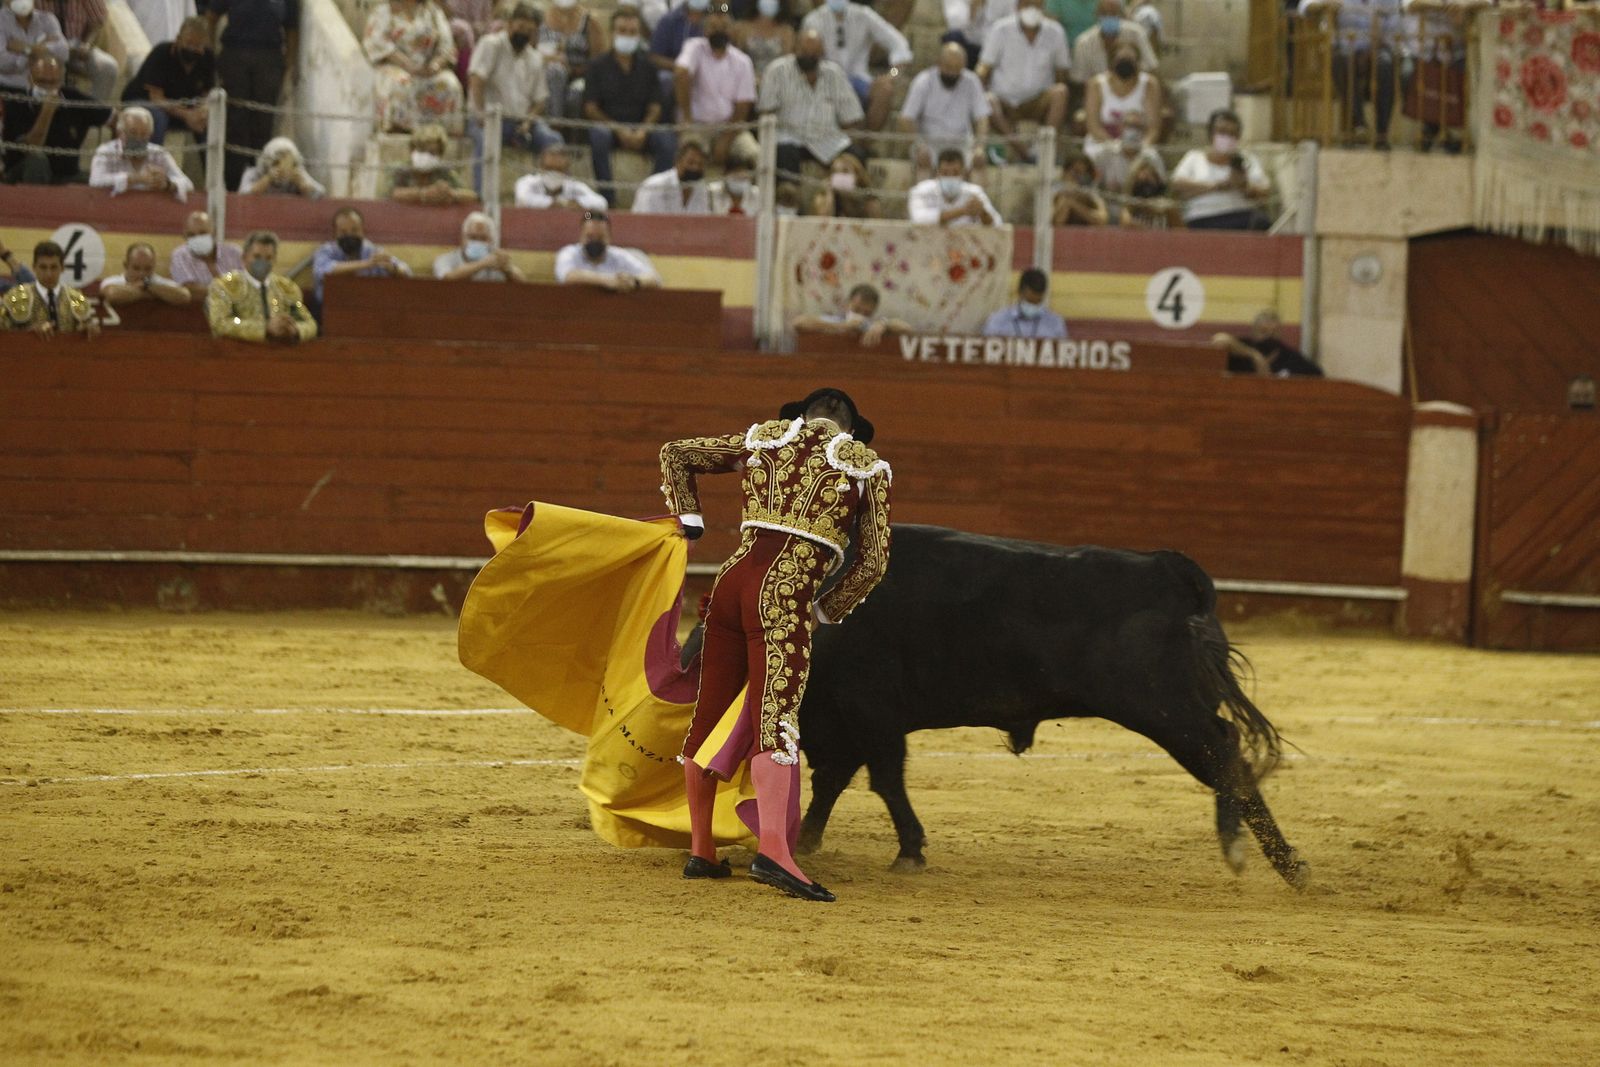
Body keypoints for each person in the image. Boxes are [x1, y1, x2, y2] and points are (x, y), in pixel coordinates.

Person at [661, 386, 891, 902]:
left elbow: (676, 454)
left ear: (801, 417)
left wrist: (690, 521)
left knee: (710, 713)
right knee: (777, 721)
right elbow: (873, 562)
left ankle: (702, 852)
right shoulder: (866, 465)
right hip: (783, 592)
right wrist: (825, 609)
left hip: (728, 584)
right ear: (850, 429)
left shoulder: (765, 438)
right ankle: (774, 855)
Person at [583, 9, 676, 206]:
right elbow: (590, 108)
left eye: (632, 32)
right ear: (612, 33)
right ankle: (608, 200)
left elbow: (656, 106)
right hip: (610, 127)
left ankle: (650, 199)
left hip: (642, 128)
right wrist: (619, 130)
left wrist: (643, 130)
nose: (627, 35)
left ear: (640, 35)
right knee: (598, 135)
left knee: (667, 141)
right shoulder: (596, 66)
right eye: (622, 30)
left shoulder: (648, 67)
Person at [467, 3, 560, 194]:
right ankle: (481, 197)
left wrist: (528, 121)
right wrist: (481, 114)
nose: (523, 33)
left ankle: (551, 198)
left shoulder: (535, 58)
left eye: (529, 30)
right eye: (520, 27)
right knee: (486, 141)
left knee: (553, 141)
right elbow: (477, 80)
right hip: (488, 118)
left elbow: (540, 100)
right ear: (509, 24)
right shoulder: (491, 44)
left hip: (521, 122)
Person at [209, 0, 300, 193]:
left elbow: (292, 27)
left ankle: (260, 182)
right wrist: (210, 54)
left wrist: (289, 63)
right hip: (235, 55)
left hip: (269, 58)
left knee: (263, 123)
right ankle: (232, 186)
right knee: (235, 122)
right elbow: (211, 16)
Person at [759, 30, 863, 179]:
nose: (808, 57)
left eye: (813, 53)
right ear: (795, 49)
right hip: (790, 138)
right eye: (804, 52)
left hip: (827, 140)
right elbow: (766, 113)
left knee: (853, 157)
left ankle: (841, 200)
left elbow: (852, 118)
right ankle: (788, 199)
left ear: (821, 53)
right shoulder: (776, 71)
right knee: (785, 153)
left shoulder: (834, 74)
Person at [976, 0, 1070, 164]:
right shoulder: (1000, 29)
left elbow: (1062, 73)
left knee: (1061, 92)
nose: (1032, 9)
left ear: (1043, 6)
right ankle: (1025, 152)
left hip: (1037, 102)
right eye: (1027, 4)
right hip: (1005, 101)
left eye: (1036, 4)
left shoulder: (1056, 32)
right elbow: (985, 67)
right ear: (1018, 6)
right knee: (987, 100)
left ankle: (1042, 149)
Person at [1298, 0, 1400, 147]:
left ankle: (1382, 134)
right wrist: (1325, 5)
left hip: (1376, 48)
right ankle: (1359, 125)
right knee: (1341, 63)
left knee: (1385, 65)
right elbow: (1304, 7)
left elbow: (1395, 29)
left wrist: (1376, 45)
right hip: (1344, 49)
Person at [800, 0, 911, 131]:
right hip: (825, 81)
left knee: (885, 89)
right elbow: (804, 58)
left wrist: (891, 75)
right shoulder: (813, 19)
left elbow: (900, 46)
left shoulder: (864, 15)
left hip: (859, 80)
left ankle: (865, 144)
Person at [1, 53, 109, 184]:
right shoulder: (17, 102)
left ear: (61, 81)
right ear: (30, 79)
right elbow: (32, 147)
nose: (47, 87)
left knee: (99, 181)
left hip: (66, 174)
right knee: (37, 159)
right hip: (24, 173)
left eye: (52, 82)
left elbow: (114, 117)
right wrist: (47, 111)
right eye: (41, 82)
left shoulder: (73, 97)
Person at [364, 0, 465, 134]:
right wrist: (408, 65)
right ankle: (399, 130)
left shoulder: (434, 13)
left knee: (450, 84)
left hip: (427, 68)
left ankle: (441, 132)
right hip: (396, 65)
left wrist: (435, 65)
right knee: (400, 83)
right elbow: (378, 42)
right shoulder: (384, 12)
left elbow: (447, 45)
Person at [674, 3, 756, 166]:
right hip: (697, 126)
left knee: (755, 154)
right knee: (689, 156)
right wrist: (688, 119)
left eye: (724, 27)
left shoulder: (742, 61)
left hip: (730, 127)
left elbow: (743, 105)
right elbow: (681, 72)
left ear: (731, 30)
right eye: (713, 27)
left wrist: (726, 138)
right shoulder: (694, 47)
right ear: (705, 30)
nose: (719, 31)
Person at [206, 229, 317, 344]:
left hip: (281, 353)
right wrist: (264, 328)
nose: (262, 262)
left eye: (268, 258)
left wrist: (295, 329)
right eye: (257, 257)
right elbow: (220, 323)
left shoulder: (286, 288)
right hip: (238, 354)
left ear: (274, 259)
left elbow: (310, 324)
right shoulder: (225, 286)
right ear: (244, 258)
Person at [898, 42, 991, 176]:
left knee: (978, 162)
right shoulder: (923, 81)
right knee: (922, 161)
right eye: (948, 67)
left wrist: (980, 147)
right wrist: (918, 145)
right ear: (939, 63)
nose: (952, 73)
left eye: (957, 69)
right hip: (930, 143)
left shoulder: (971, 81)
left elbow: (982, 118)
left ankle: (976, 197)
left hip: (962, 143)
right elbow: (906, 118)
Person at [121, 15, 215, 147]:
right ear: (178, 39)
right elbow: (157, 98)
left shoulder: (208, 57)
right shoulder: (161, 53)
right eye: (189, 43)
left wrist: (202, 111)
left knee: (210, 120)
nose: (192, 49)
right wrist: (187, 115)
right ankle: (151, 162)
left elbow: (207, 93)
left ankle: (214, 166)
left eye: (198, 45)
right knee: (158, 117)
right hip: (143, 100)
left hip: (180, 107)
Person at [1171, 109, 1272, 230]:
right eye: (1222, 132)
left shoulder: (1247, 159)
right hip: (1202, 217)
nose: (1227, 137)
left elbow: (1264, 190)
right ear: (1211, 134)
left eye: (1232, 134)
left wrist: (1244, 187)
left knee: (1261, 222)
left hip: (1240, 215)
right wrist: (1218, 186)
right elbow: (1177, 184)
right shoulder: (1194, 158)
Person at [311, 206, 412, 308]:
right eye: (343, 232)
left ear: (362, 231)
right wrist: (366, 264)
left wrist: (393, 269)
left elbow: (407, 272)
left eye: (354, 230)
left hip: (368, 310)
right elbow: (321, 271)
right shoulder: (326, 250)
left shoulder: (373, 251)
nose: (349, 235)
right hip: (329, 310)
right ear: (335, 233)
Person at [89, 107, 194, 200]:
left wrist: (167, 184)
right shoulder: (106, 151)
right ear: (120, 133)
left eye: (144, 134)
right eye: (133, 133)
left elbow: (188, 184)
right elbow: (95, 181)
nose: (138, 139)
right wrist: (136, 178)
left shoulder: (158, 153)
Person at [1, 239, 97, 334]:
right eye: (43, 267)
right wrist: (28, 332)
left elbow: (87, 328)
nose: (49, 274)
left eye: (54, 267)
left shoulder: (76, 299)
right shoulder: (14, 297)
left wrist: (88, 328)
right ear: (34, 267)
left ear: (62, 268)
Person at [554, 210, 661, 289]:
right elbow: (568, 276)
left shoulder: (619, 256)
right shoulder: (568, 253)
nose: (594, 241)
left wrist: (634, 281)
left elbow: (654, 278)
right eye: (590, 237)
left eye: (600, 237)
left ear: (609, 237)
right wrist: (608, 280)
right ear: (581, 236)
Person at [1084, 39, 1161, 147]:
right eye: (1121, 59)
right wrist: (1115, 146)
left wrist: (1141, 147)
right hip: (1102, 144)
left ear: (1137, 62)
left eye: (1130, 60)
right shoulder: (1096, 84)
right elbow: (1094, 126)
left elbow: (1153, 129)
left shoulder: (1149, 84)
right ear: (1112, 61)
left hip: (1138, 145)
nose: (1125, 63)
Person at [36, 0, 117, 101]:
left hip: (76, 47)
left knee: (108, 67)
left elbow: (97, 21)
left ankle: (93, 112)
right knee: (50, 66)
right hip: (45, 49)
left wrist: (86, 44)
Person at [539, 0, 605, 120]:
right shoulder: (541, 18)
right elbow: (531, 54)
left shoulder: (589, 21)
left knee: (575, 93)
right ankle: (555, 124)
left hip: (579, 76)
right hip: (547, 74)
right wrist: (550, 58)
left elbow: (598, 62)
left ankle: (565, 129)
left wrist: (572, 70)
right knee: (555, 71)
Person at [1069, 0, 1156, 87]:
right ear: (1096, 15)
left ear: (1122, 15)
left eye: (1114, 13)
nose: (1109, 17)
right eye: (1104, 13)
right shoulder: (1083, 43)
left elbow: (1151, 68)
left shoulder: (1136, 34)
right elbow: (1079, 81)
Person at [792, 283, 911, 346]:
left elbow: (907, 328)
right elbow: (798, 322)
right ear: (848, 304)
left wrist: (884, 324)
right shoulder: (835, 320)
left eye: (866, 313)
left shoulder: (872, 326)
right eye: (857, 310)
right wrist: (844, 326)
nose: (860, 315)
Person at [908, 147, 1002, 227]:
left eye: (955, 173)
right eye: (945, 173)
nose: (950, 176)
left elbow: (997, 224)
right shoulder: (921, 190)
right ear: (937, 173)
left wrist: (982, 212)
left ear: (964, 173)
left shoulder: (975, 192)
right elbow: (918, 219)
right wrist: (963, 211)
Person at [1213, 310, 1322, 377]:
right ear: (1254, 331)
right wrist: (1254, 355)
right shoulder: (1242, 348)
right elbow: (1219, 339)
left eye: (1274, 332)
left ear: (1280, 333)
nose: (1269, 335)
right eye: (1263, 331)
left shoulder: (1291, 357)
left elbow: (1318, 375)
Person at [390, 123, 478, 204]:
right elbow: (389, 194)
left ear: (440, 155)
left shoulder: (444, 172)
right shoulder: (401, 170)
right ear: (412, 150)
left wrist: (450, 193)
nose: (426, 155)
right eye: (422, 150)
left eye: (432, 152)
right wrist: (423, 194)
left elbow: (472, 196)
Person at [169, 210, 246, 298]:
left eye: (203, 233)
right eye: (191, 235)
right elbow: (189, 288)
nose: (197, 238)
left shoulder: (234, 253)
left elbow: (247, 281)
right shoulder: (180, 256)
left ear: (214, 232)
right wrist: (226, 291)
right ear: (185, 237)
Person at [433, 211, 525, 282]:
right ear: (463, 238)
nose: (477, 241)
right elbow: (447, 278)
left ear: (490, 241)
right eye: (472, 237)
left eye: (483, 238)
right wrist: (483, 264)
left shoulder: (495, 259)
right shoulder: (445, 259)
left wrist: (507, 269)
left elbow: (522, 283)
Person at [513, 141, 607, 210]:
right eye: (549, 169)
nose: (554, 173)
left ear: (567, 171)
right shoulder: (528, 182)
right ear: (541, 167)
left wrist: (579, 203)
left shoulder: (574, 186)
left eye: (558, 170)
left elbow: (601, 203)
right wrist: (552, 203)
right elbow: (522, 199)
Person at [99, 241, 193, 308]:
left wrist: (147, 286)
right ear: (126, 265)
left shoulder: (159, 282)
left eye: (148, 269)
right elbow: (112, 295)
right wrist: (152, 292)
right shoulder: (112, 281)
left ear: (154, 266)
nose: (142, 274)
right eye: (136, 268)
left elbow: (184, 296)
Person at [631, 137, 711, 214]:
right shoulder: (654, 186)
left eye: (700, 164)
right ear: (677, 162)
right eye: (691, 162)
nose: (695, 168)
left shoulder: (701, 188)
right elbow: (647, 223)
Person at [0, 0, 67, 92]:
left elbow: (63, 52)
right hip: (11, 89)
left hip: (48, 88)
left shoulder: (47, 19)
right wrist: (41, 51)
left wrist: (27, 49)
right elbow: (3, 62)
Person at [983, 267, 1067, 338]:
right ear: (1020, 292)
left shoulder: (1055, 323)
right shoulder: (998, 321)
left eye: (1037, 302)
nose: (1033, 306)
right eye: (1029, 301)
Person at [238, 136, 325, 197]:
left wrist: (303, 186)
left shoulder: (297, 174)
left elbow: (320, 194)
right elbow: (242, 196)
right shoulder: (253, 173)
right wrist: (267, 180)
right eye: (276, 163)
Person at [941, 0, 1016, 70]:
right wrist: (973, 8)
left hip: (993, 45)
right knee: (953, 37)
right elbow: (955, 23)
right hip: (967, 44)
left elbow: (1010, 22)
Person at [730, 0, 793, 81]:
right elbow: (737, 60)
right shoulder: (742, 28)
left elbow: (788, 64)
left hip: (777, 81)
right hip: (748, 80)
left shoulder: (786, 31)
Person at [1052, 149, 1108, 225]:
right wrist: (1066, 199)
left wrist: (1074, 205)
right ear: (1065, 172)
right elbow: (1055, 222)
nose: (1079, 178)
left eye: (1084, 174)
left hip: (1086, 233)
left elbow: (1102, 220)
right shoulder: (1055, 188)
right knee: (1063, 202)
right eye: (1076, 172)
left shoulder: (1089, 191)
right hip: (1061, 233)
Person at [708, 148, 757, 215]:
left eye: (743, 176)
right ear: (725, 175)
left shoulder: (757, 195)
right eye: (736, 175)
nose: (740, 177)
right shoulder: (712, 192)